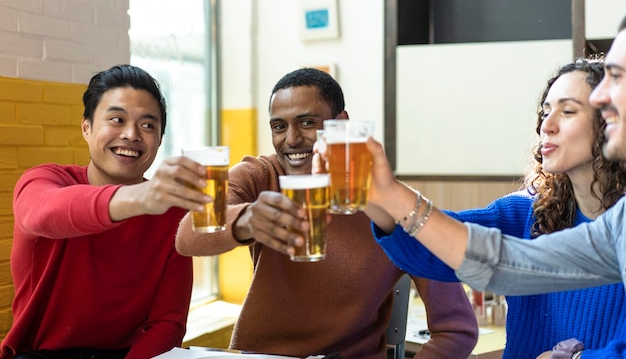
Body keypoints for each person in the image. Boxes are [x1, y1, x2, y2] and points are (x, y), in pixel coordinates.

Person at [311, 15, 626, 358]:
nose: (546, 126)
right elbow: (454, 250)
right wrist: (372, 193)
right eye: (545, 110)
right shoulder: (529, 211)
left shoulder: (615, 228)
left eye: (567, 112)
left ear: (608, 117)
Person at [175, 68, 479, 359]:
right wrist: (247, 220)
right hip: (257, 356)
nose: (291, 139)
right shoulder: (260, 176)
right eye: (279, 127)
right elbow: (188, 236)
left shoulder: (394, 207)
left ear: (341, 125)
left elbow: (457, 329)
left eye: (306, 123)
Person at [0, 65, 210, 359]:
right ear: (86, 128)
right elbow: (42, 215)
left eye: (148, 125)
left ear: (160, 139)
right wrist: (140, 197)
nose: (131, 134)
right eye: (116, 119)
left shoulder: (171, 212)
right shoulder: (43, 181)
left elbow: (167, 324)